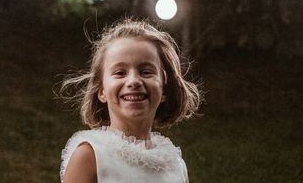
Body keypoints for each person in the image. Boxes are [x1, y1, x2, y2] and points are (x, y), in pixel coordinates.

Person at [60, 19, 201, 183]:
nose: (133, 81)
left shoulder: (176, 165)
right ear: (101, 91)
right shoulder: (91, 155)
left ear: (165, 90)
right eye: (120, 72)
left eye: (146, 72)